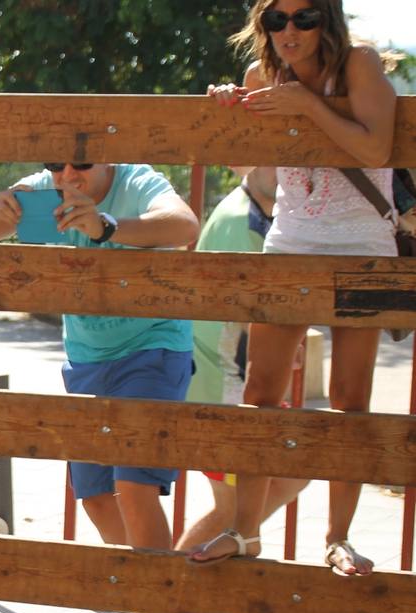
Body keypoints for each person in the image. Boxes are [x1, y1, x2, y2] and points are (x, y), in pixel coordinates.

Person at [0, 161, 201, 613]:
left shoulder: (138, 181)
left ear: (106, 159)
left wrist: (106, 226)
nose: (69, 174)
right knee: (94, 495)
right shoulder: (43, 190)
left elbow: (183, 226)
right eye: (58, 164)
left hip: (154, 346)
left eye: (81, 165)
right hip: (88, 358)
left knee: (135, 488)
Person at [191, 0, 398, 576]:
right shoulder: (262, 75)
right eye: (276, 20)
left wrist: (306, 104)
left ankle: (338, 538)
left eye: (304, 18)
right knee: (260, 396)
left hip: (361, 251)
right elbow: (240, 160)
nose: (290, 30)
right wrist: (227, 108)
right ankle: (245, 530)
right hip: (289, 244)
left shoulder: (356, 64)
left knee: (350, 403)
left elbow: (375, 149)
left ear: (326, 20)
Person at [91, 166, 308, 613]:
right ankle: (169, 608)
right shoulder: (241, 219)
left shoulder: (257, 213)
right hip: (227, 383)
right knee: (242, 493)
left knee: (279, 479)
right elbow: (236, 306)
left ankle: (168, 607)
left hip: (231, 377)